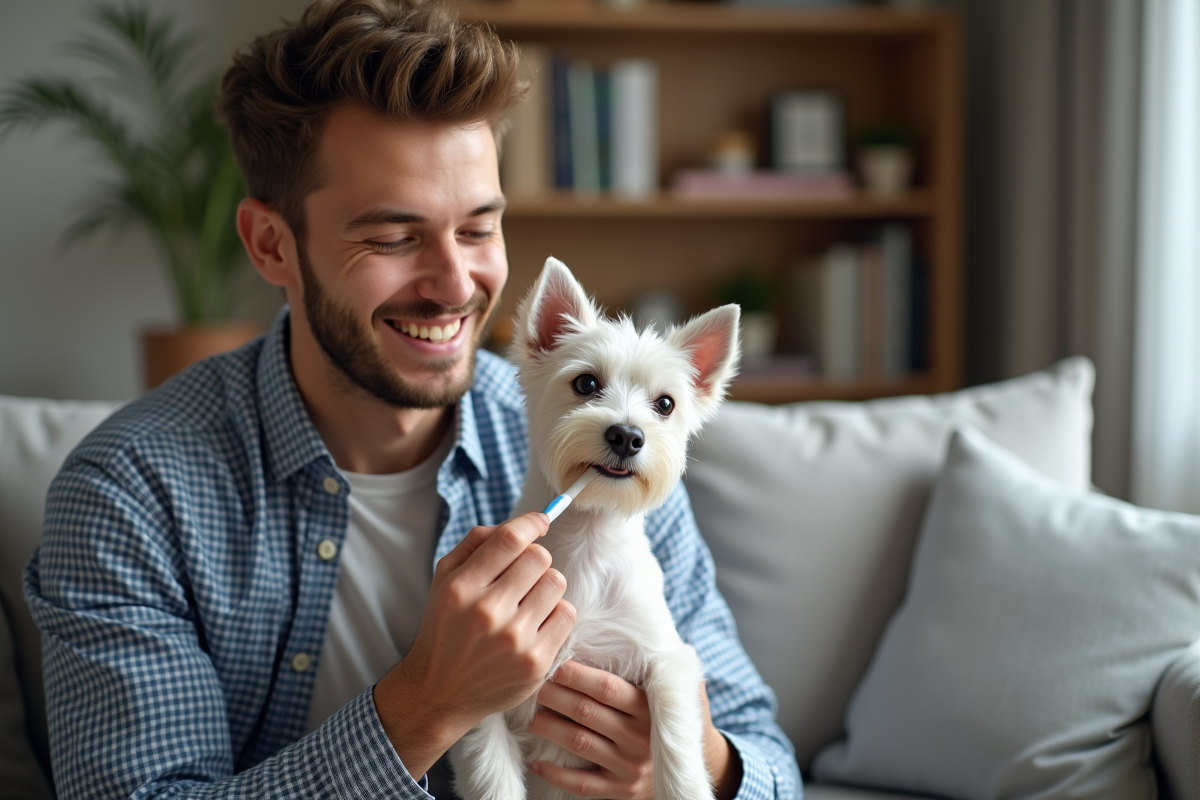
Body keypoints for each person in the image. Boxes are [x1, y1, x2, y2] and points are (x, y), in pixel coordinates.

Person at [24, 1, 801, 798]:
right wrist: (429, 701)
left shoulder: (602, 455)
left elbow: (767, 763)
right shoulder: (130, 493)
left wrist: (687, 761)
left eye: (478, 228)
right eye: (393, 237)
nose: (458, 287)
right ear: (271, 245)